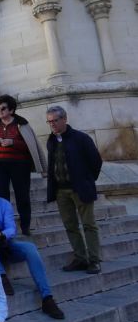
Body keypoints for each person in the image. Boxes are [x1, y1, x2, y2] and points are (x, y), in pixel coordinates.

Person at [0, 176, 65, 319]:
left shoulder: (4, 204)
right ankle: (1, 275)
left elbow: (11, 228)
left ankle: (47, 298)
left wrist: (1, 235)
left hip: (3, 244)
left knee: (30, 248)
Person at [0, 94, 47, 235]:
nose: (0, 111)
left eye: (3, 108)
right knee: (1, 198)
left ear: (11, 110)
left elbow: (30, 145)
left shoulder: (22, 124)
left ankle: (25, 227)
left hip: (19, 165)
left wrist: (12, 142)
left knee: (22, 196)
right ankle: (3, 226)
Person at [46, 105, 103, 274]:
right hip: (61, 191)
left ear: (64, 119)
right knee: (70, 226)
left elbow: (96, 162)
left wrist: (86, 180)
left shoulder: (81, 138)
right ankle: (80, 258)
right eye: (49, 122)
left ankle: (94, 260)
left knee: (89, 225)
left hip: (80, 189)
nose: (53, 124)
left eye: (56, 120)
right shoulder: (51, 140)